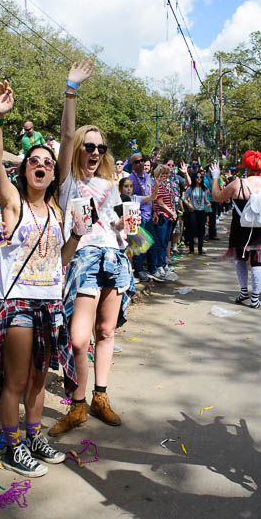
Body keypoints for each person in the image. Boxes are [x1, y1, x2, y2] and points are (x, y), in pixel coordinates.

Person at [0, 80, 80, 477]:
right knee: (17, 380)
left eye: (48, 162)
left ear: (54, 173)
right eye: (33, 160)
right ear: (23, 170)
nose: (41, 164)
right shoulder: (13, 202)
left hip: (50, 303)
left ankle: (34, 435)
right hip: (17, 302)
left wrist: (75, 235)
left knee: (40, 380)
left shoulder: (57, 210)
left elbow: (60, 259)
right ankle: (13, 444)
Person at [49, 60, 134, 436]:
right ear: (80, 148)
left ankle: (100, 397)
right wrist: (71, 89)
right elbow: (65, 136)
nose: (96, 151)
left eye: (101, 147)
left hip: (114, 258)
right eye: (89, 145)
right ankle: (78, 404)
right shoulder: (67, 182)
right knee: (78, 338)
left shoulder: (111, 184)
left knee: (106, 333)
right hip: (84, 259)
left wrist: (130, 230)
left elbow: (128, 230)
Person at [211, 152, 261, 309]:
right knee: (259, 263)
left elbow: (217, 197)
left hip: (241, 229)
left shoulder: (238, 184)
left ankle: (244, 291)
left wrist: (216, 177)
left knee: (240, 260)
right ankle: (255, 299)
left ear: (247, 167)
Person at [128, 153, 158, 282]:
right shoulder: (130, 179)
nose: (140, 163)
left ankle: (153, 269)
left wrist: (154, 211)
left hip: (149, 215)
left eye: (142, 161)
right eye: (136, 162)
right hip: (138, 217)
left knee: (152, 243)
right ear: (132, 165)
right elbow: (130, 198)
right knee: (139, 246)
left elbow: (152, 196)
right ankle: (139, 270)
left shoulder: (147, 177)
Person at [148, 163, 178, 282]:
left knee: (165, 242)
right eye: (162, 173)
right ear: (157, 174)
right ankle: (159, 265)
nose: (165, 175)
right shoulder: (157, 185)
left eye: (166, 173)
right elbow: (160, 203)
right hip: (162, 216)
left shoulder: (167, 185)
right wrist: (171, 212)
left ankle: (163, 264)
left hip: (169, 216)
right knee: (160, 242)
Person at [183, 169, 210, 254]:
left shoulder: (204, 188)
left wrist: (208, 203)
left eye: (200, 177)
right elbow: (184, 199)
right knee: (192, 230)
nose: (199, 178)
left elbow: (205, 200)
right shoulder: (190, 188)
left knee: (201, 231)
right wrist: (189, 205)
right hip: (193, 212)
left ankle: (200, 249)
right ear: (194, 178)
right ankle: (191, 249)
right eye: (197, 177)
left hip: (201, 211)